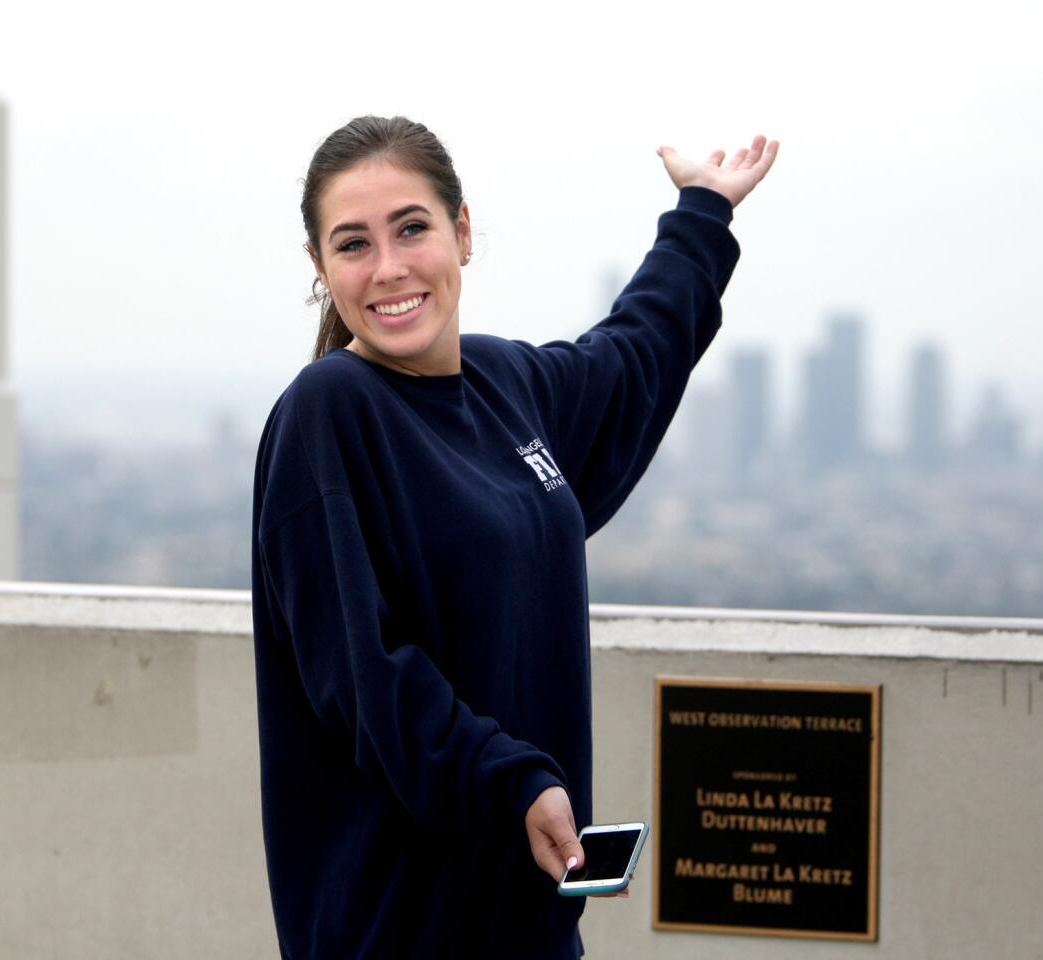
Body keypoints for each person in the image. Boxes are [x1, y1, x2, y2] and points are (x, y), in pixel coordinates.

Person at [250, 116, 777, 959]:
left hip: (524, 917)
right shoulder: (328, 412)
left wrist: (699, 214)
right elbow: (366, 677)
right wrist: (514, 781)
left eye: (412, 228)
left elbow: (630, 359)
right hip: (400, 931)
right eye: (353, 244)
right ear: (320, 268)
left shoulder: (507, 386)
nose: (389, 267)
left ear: (461, 231)